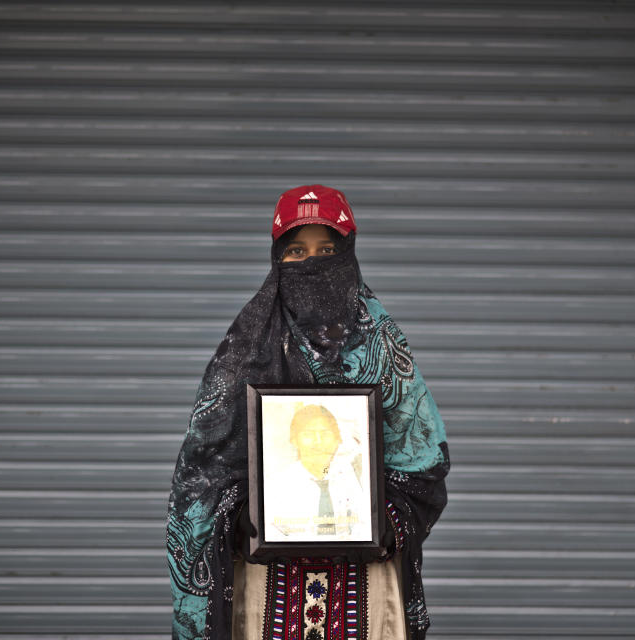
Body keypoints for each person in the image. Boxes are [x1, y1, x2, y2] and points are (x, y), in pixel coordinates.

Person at [167, 185, 450, 640]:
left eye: (327, 249)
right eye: (297, 250)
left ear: (349, 256)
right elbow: (199, 480)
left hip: (365, 589)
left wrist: (381, 522)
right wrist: (240, 519)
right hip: (267, 588)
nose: (312, 263)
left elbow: (424, 468)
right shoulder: (242, 355)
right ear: (277, 259)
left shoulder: (383, 346)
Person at [264, 403, 371, 541]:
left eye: (325, 434)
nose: (318, 442)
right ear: (295, 440)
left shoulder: (355, 479)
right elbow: (272, 533)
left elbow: (364, 526)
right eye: (308, 434)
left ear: (337, 440)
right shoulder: (277, 485)